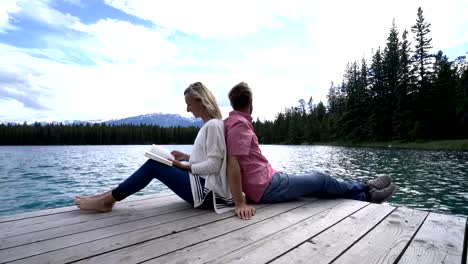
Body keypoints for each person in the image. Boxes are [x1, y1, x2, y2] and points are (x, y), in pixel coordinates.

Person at [224, 82, 397, 220]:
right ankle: (366, 188)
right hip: (264, 187)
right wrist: (239, 202)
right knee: (319, 178)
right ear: (251, 103)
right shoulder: (238, 124)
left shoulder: (235, 122)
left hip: (268, 180)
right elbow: (233, 164)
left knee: (315, 188)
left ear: (233, 103)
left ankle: (365, 196)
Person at [75, 82, 233, 213]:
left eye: (189, 103)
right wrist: (185, 158)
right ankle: (106, 197)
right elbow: (209, 159)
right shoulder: (211, 125)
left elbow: (214, 165)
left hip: (207, 194)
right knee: (157, 163)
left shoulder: (213, 125)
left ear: (200, 100)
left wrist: (185, 167)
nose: (187, 109)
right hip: (202, 187)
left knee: (154, 165)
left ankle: (106, 201)